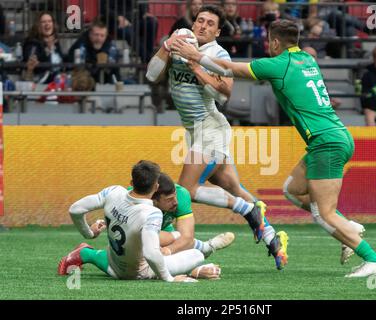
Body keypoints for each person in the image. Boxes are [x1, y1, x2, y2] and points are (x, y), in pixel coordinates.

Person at [172, 19, 376, 277]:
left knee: (323, 214)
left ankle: (373, 259)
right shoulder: (307, 59)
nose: (267, 46)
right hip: (335, 136)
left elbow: (229, 69)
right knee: (293, 190)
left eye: (269, 42)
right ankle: (348, 226)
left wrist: (194, 56)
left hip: (326, 143)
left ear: (275, 42)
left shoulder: (278, 64)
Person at [146, 5, 288, 270]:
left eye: (210, 23)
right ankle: (273, 238)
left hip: (210, 127)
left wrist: (196, 62)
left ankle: (248, 211)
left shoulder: (217, 53)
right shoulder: (179, 39)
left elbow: (224, 96)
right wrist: (166, 46)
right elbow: (152, 75)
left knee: (185, 191)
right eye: (200, 20)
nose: (203, 26)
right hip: (195, 131)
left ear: (217, 31)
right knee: (235, 189)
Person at [58, 160, 220, 281]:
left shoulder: (113, 191)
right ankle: (198, 263)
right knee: (197, 255)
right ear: (156, 187)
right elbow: (151, 253)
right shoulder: (152, 213)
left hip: (112, 265)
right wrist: (169, 279)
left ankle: (85, 252)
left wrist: (88, 233)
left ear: (131, 183)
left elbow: (75, 209)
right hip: (138, 273)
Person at [150, 172, 236, 257]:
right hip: (144, 235)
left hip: (164, 230)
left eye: (175, 196)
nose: (175, 202)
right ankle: (205, 248)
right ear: (153, 200)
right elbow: (142, 236)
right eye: (169, 199)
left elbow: (186, 237)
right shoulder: (139, 203)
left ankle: (206, 248)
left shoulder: (181, 194)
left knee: (180, 240)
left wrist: (168, 250)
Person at [67, 19, 120, 84]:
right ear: (90, 34)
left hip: (105, 81)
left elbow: (114, 67)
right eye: (96, 35)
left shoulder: (110, 45)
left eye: (102, 35)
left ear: (106, 36)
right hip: (84, 80)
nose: (99, 38)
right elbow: (76, 65)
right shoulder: (80, 44)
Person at [22, 12, 66, 84]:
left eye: (49, 21)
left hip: (58, 77)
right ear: (38, 26)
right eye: (43, 22)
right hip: (41, 78)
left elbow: (61, 60)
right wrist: (48, 49)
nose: (47, 24)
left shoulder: (55, 41)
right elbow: (32, 59)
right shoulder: (33, 42)